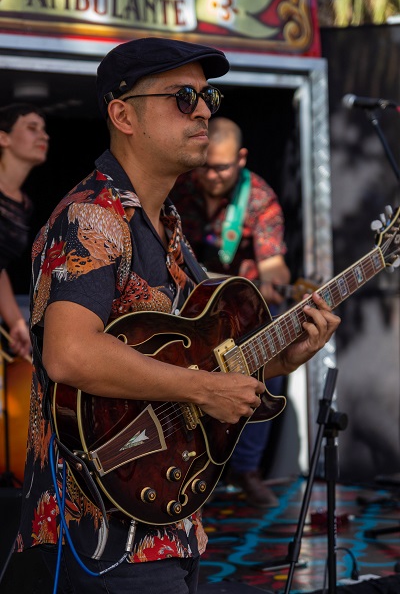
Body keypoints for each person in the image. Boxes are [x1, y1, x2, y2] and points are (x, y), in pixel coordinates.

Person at [12, 37, 339, 594]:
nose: (205, 109)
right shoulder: (94, 217)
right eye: (183, 97)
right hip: (95, 542)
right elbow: (69, 353)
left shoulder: (167, 228)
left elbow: (204, 365)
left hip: (168, 522)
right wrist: (200, 390)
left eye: (208, 95)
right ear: (123, 115)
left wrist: (284, 356)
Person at [170, 117, 291, 508]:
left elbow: (273, 264)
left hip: (240, 311)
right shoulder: (180, 184)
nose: (211, 174)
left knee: (270, 352)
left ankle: (247, 471)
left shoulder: (258, 197)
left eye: (221, 166)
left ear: (241, 159)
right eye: (205, 164)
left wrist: (275, 281)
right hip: (186, 308)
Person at [0, 103, 49, 360]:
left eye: (43, 129)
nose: (43, 135)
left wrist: (16, 322)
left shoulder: (24, 203)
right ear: (3, 137)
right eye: (32, 128)